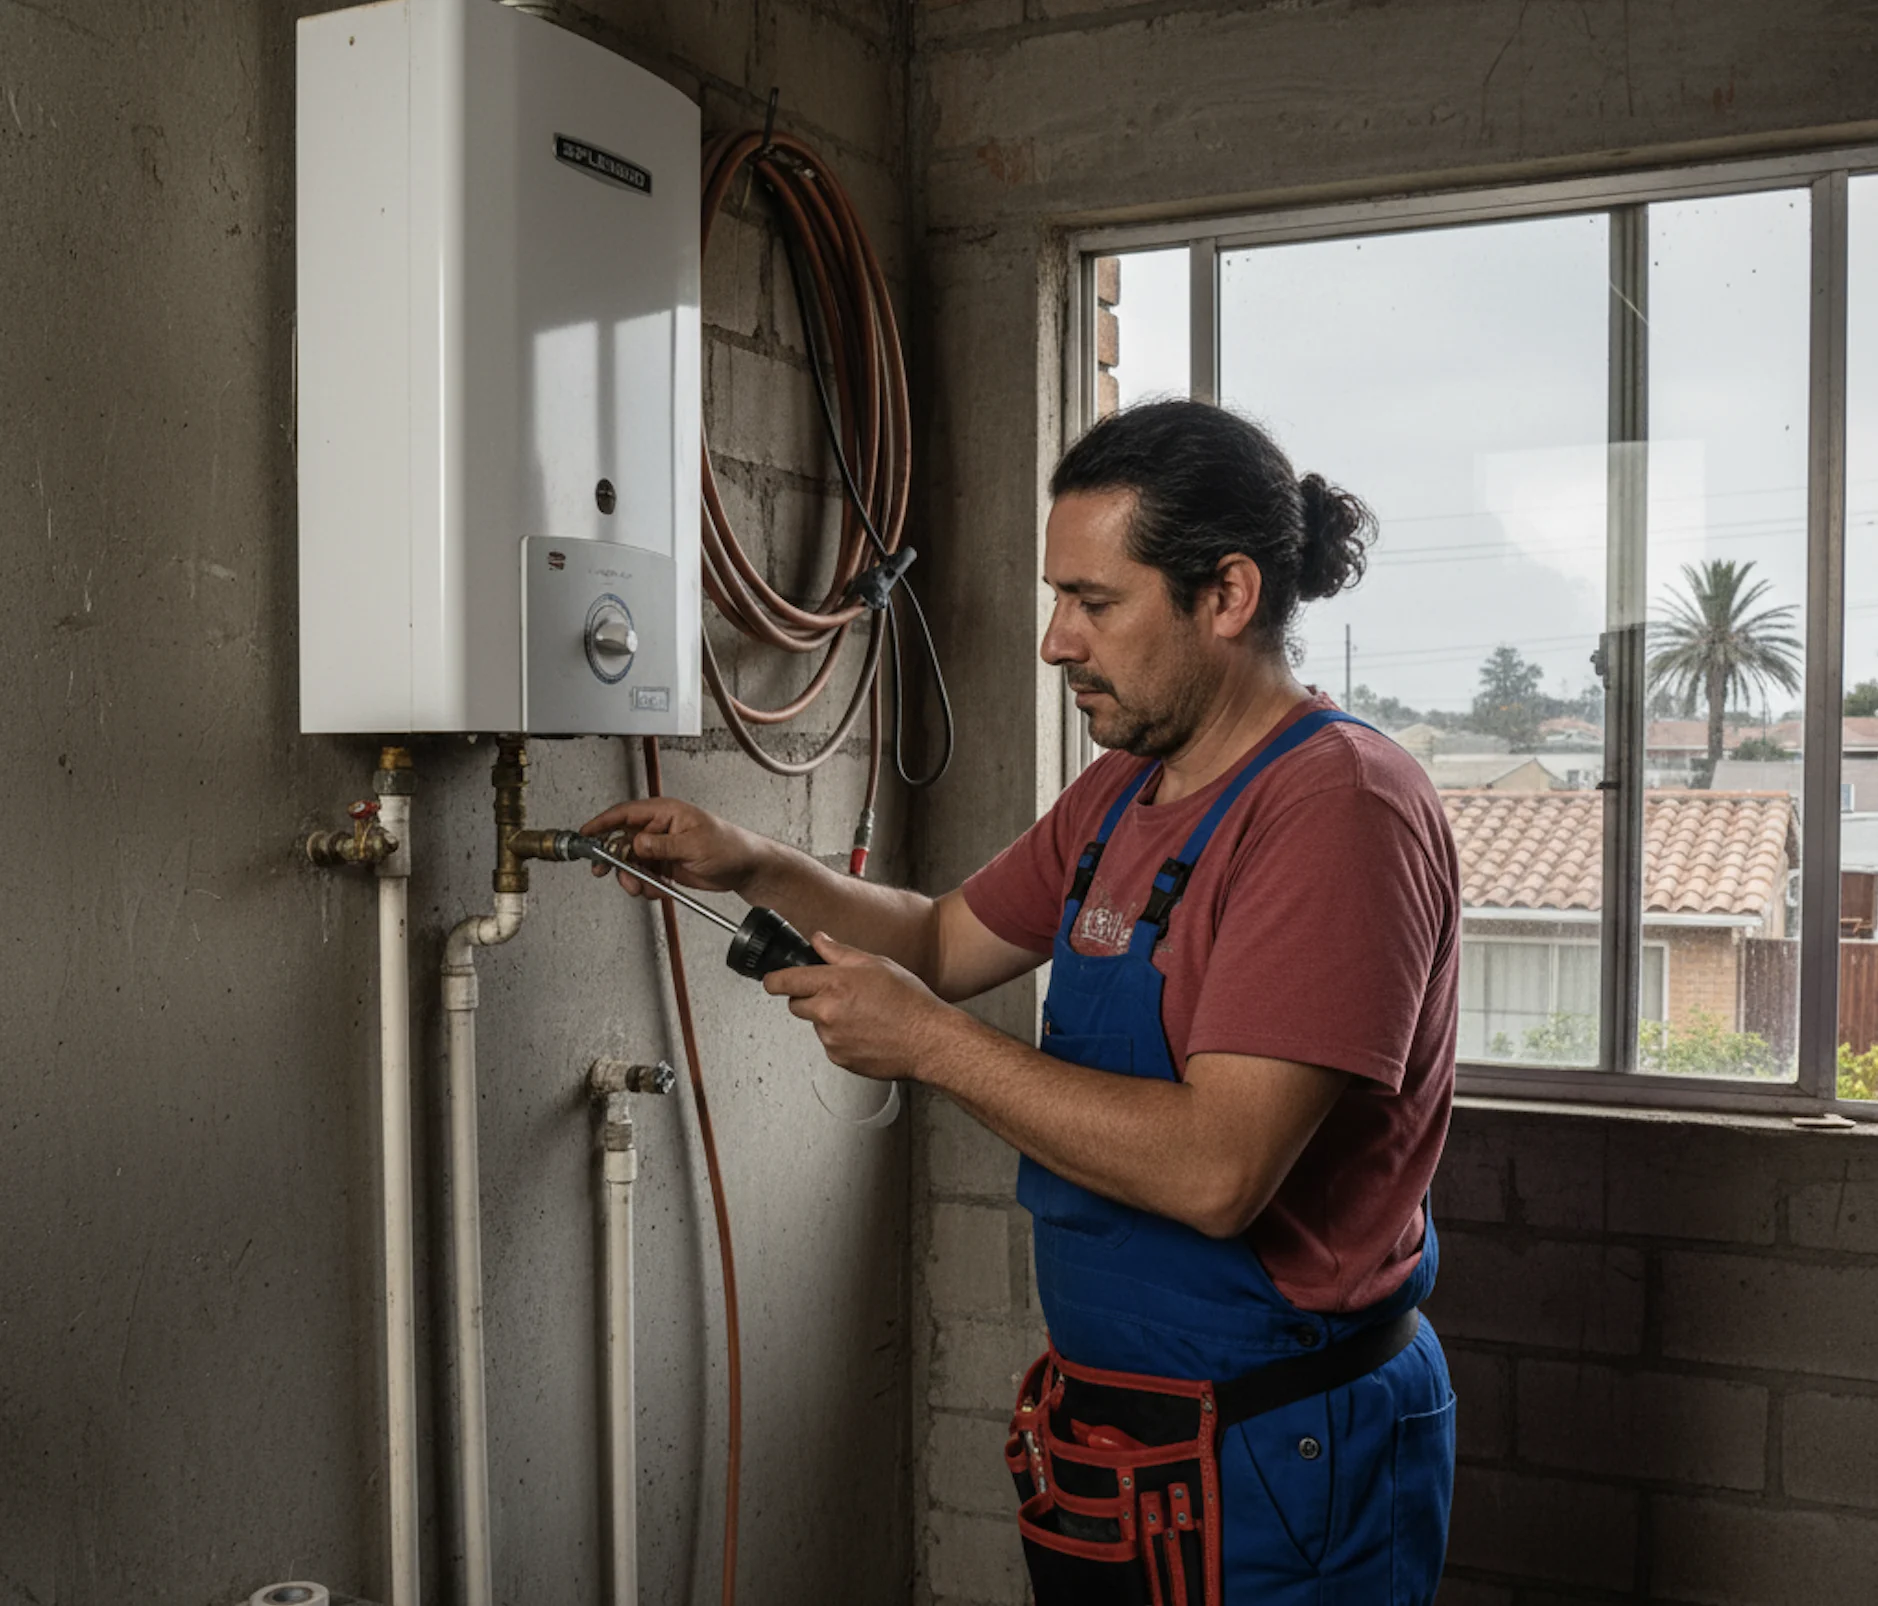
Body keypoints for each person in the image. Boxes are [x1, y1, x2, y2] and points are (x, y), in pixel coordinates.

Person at [581, 399, 1459, 1604]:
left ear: (1229, 595)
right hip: (1130, 1444)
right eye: (1061, 599)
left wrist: (931, 1047)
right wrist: (750, 858)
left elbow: (1219, 1170)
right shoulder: (1123, 792)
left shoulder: (1335, 810)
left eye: (1095, 603)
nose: (1056, 642)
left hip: (1282, 1454)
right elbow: (945, 937)